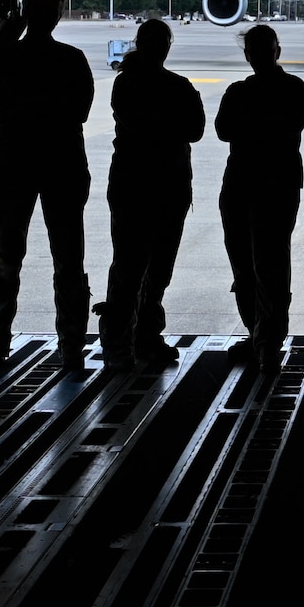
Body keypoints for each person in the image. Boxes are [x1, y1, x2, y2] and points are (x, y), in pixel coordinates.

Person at [0, 0, 94, 368]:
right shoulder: (71, 59)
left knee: (6, 255)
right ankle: (72, 344)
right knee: (68, 257)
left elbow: (2, 104)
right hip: (62, 162)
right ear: (57, 16)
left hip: (15, 161)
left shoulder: (5, 57)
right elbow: (80, 110)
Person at [97, 18, 205, 365]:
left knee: (135, 266)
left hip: (136, 185)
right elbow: (192, 129)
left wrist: (160, 124)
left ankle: (125, 342)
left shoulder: (127, 84)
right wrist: (171, 125)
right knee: (150, 268)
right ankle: (136, 338)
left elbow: (186, 129)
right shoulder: (178, 87)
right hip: (163, 187)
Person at [216, 24, 304, 362]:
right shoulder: (292, 89)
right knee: (263, 264)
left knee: (253, 266)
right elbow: (287, 126)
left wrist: (249, 123)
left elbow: (224, 129)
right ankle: (263, 336)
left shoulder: (239, 92)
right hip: (274, 183)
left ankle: (265, 338)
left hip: (248, 182)